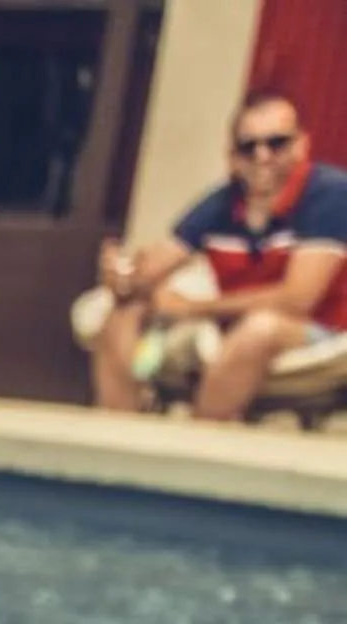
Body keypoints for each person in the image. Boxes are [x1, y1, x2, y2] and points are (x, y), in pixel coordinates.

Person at [90, 88, 347, 421]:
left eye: (277, 143)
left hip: (323, 331)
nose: (262, 156)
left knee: (260, 329)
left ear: (301, 145)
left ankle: (199, 442)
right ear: (232, 156)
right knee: (123, 314)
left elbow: (297, 300)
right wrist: (122, 278)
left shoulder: (329, 195)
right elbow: (152, 267)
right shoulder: (223, 202)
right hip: (233, 326)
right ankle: (122, 431)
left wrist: (192, 308)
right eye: (248, 146)